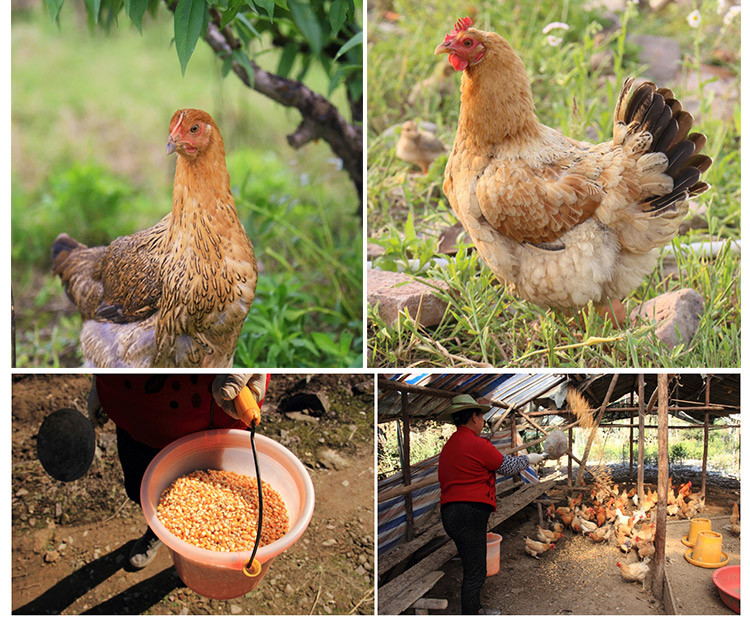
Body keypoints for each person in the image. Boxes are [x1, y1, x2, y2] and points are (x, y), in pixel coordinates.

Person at [88, 373, 269, 568]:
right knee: (139, 488)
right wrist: (102, 379)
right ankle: (158, 530)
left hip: (208, 417)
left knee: (213, 495)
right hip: (135, 410)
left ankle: (199, 555)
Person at [438, 394, 544, 615]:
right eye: (481, 416)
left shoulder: (450, 445)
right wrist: (529, 459)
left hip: (451, 513)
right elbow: (506, 466)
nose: (483, 421)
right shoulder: (476, 443)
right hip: (469, 513)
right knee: (475, 570)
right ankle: (473, 612)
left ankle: (474, 609)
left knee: (471, 564)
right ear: (474, 417)